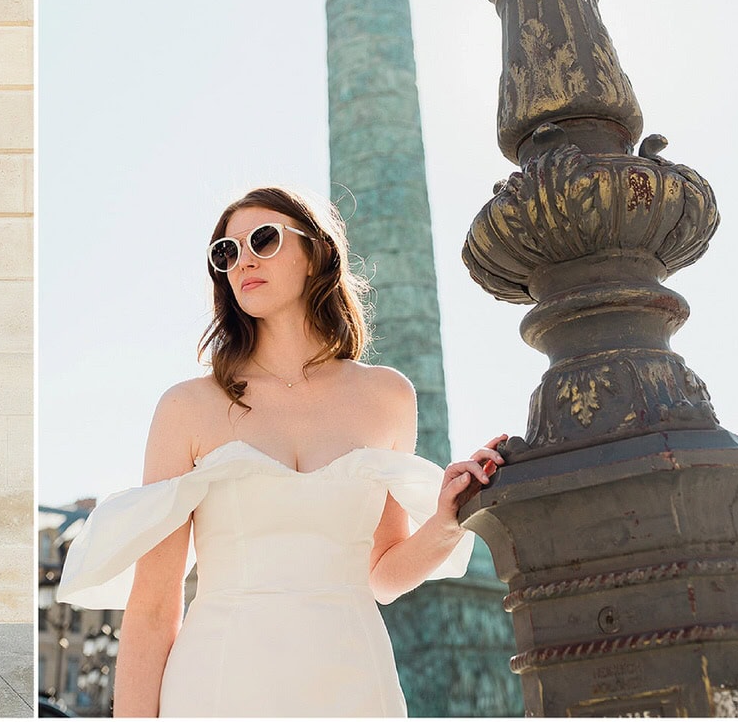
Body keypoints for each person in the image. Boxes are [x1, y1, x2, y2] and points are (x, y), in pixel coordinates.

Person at [56, 186, 506, 717]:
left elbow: (382, 574)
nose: (241, 258)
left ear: (315, 252)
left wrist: (448, 519)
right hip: (220, 680)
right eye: (225, 252)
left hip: (354, 680)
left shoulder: (388, 397)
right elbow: (154, 606)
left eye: (262, 240)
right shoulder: (188, 407)